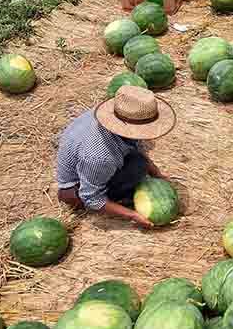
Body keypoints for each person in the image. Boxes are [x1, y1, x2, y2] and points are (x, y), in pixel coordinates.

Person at [56, 85, 175, 229]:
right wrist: (132, 215)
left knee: (140, 163)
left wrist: (157, 174)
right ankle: (119, 197)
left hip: (90, 163)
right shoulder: (100, 156)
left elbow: (135, 146)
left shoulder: (114, 115)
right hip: (76, 188)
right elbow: (91, 198)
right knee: (137, 168)